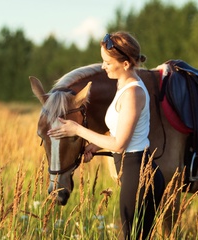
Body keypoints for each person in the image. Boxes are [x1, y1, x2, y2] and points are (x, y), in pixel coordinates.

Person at [48, 31, 165, 239]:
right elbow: (121, 129)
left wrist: (78, 130)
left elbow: (120, 144)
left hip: (138, 174)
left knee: (130, 236)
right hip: (131, 169)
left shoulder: (133, 93)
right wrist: (95, 145)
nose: (103, 67)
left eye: (107, 62)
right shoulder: (122, 85)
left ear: (126, 64)